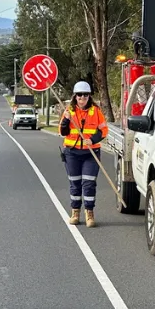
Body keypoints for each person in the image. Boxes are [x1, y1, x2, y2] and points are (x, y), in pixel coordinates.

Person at [59, 80, 108, 227]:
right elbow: (63, 132)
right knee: (75, 184)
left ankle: (89, 213)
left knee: (89, 183)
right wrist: (66, 121)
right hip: (72, 153)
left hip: (90, 153)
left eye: (85, 95)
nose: (82, 98)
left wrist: (92, 140)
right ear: (75, 96)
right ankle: (75, 212)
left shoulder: (96, 111)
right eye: (79, 95)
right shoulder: (69, 111)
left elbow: (104, 130)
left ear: (89, 96)